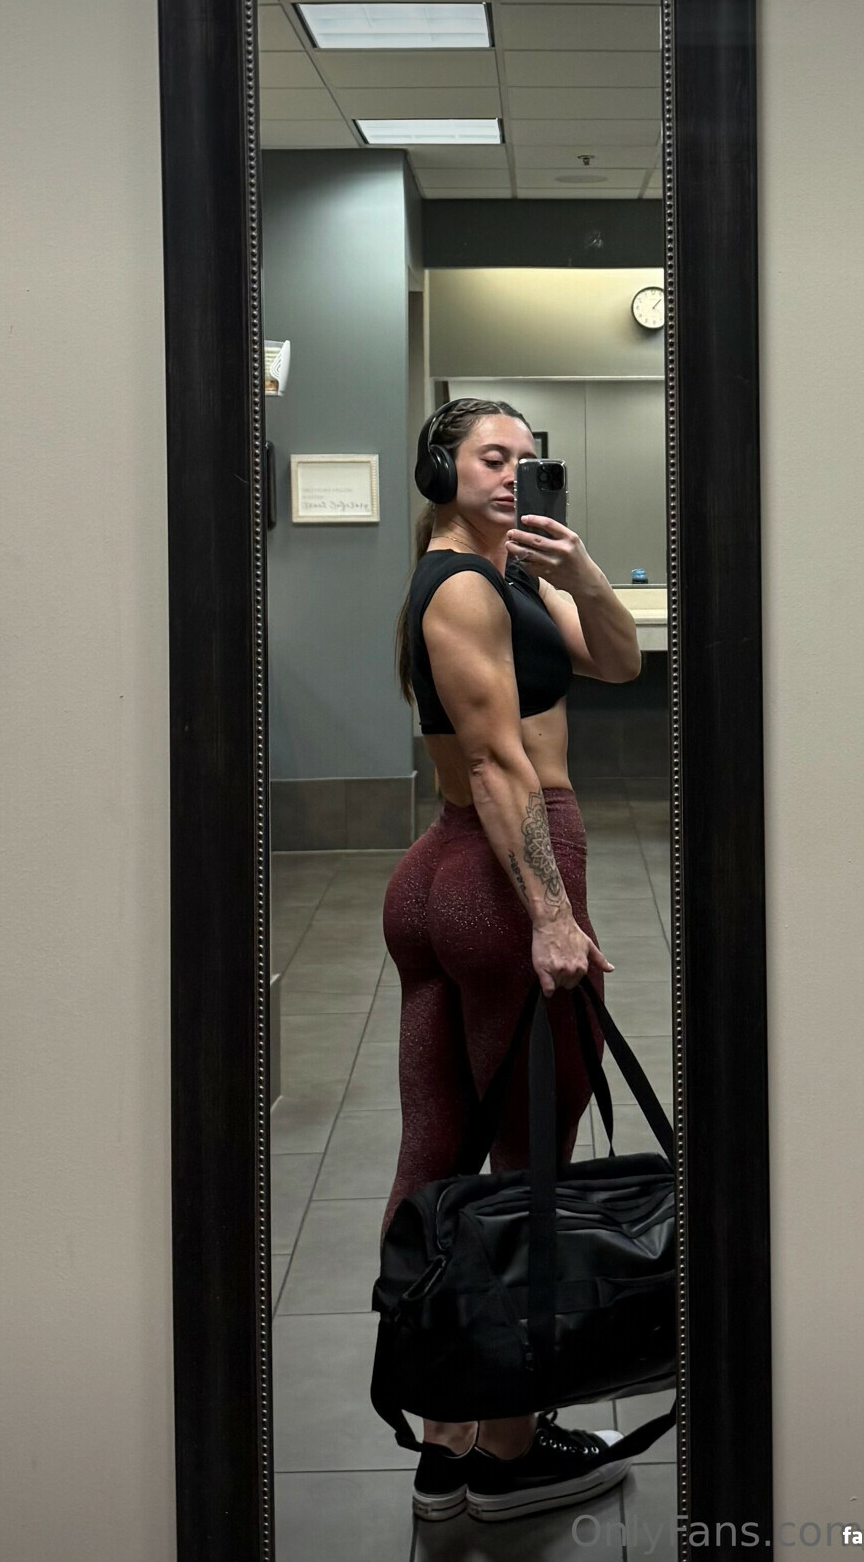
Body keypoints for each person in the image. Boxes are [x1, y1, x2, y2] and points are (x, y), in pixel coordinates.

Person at [381, 398, 644, 1524]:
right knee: (533, 1158)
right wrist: (549, 912)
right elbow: (495, 765)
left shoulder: (512, 574)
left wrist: (579, 571)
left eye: (527, 460)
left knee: (439, 1160)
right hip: (501, 865)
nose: (513, 474)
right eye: (492, 456)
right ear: (440, 468)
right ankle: (506, 1447)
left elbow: (619, 661)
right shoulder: (460, 589)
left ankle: (443, 1437)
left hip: (445, 873)